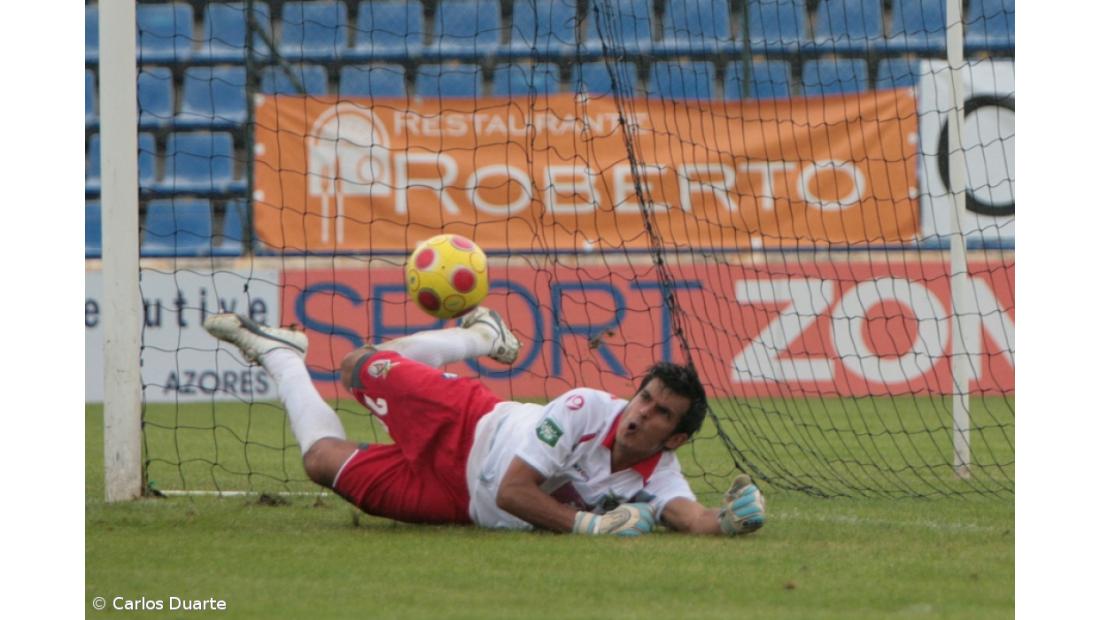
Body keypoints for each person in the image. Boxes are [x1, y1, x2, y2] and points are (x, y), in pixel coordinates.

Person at [202, 308, 765, 536]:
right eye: (644, 397)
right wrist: (587, 527)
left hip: (458, 502)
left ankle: (280, 356)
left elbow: (690, 516)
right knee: (356, 366)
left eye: (661, 413)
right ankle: (479, 336)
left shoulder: (659, 472)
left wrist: (731, 520)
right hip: (468, 424)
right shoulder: (587, 407)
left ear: (677, 438)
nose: (641, 412)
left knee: (320, 461)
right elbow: (514, 491)